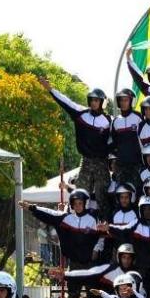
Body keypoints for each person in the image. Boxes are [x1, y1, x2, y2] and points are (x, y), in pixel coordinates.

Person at [38, 75, 113, 218]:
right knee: (80, 193)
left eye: (97, 100)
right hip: (85, 161)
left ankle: (105, 224)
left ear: (102, 102)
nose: (93, 103)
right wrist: (50, 89)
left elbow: (117, 140)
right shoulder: (81, 113)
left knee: (102, 194)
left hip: (102, 162)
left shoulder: (109, 121)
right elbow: (66, 101)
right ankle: (77, 221)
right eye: (92, 100)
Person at [21, 189, 103, 298]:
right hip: (74, 263)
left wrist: (97, 249)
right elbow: (49, 213)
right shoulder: (65, 218)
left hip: (90, 263)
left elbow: (101, 236)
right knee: (72, 296)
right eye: (75, 204)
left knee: (94, 297)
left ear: (85, 203)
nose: (78, 206)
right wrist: (32, 208)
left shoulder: (93, 217)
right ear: (72, 205)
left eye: (80, 203)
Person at [110, 88, 145, 188]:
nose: (123, 103)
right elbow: (113, 143)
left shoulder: (139, 117)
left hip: (137, 164)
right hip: (121, 165)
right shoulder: (115, 121)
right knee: (122, 193)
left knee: (137, 192)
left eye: (126, 100)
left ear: (131, 101)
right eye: (121, 100)